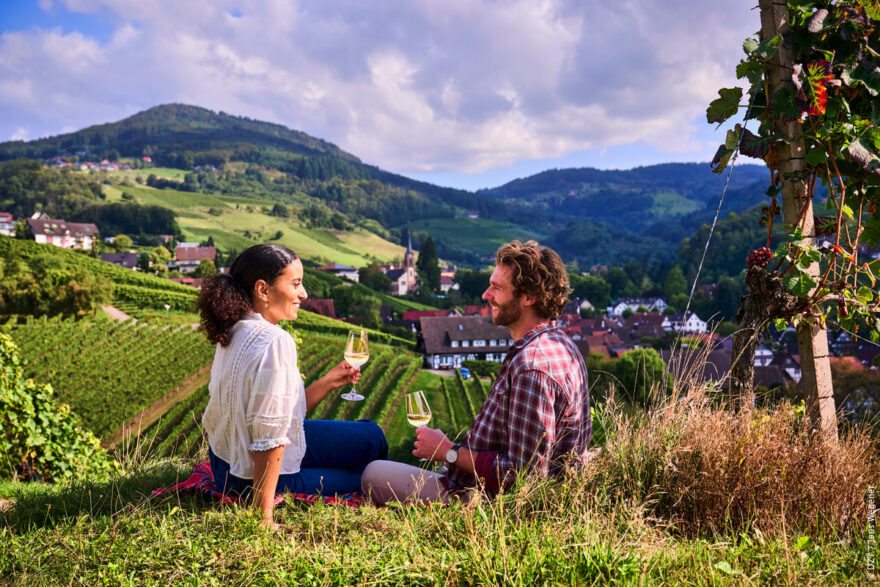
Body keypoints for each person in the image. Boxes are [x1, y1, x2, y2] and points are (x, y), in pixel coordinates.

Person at [361, 240, 591, 504]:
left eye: (497, 287)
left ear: (529, 297)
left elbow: (523, 477)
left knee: (373, 473)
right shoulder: (563, 344)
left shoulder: (532, 368)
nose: (486, 295)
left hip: (485, 503)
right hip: (507, 491)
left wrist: (447, 451)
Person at [198, 244, 388, 529]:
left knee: (371, 436)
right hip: (249, 481)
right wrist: (264, 518)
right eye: (296, 284)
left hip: (224, 466)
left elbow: (281, 416)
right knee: (370, 475)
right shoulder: (275, 341)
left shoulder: (235, 329)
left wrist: (327, 382)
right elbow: (268, 438)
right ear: (263, 290)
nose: (304, 294)